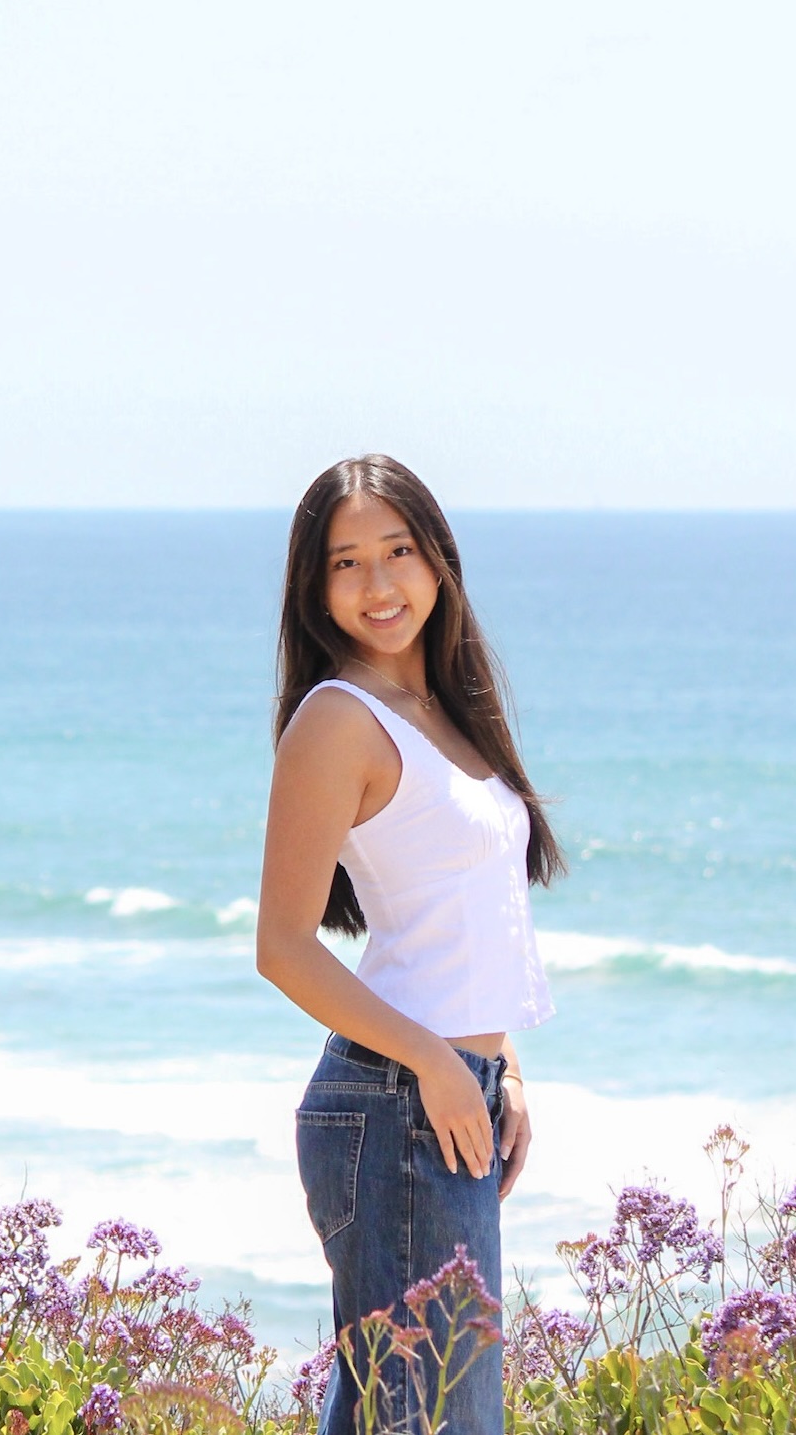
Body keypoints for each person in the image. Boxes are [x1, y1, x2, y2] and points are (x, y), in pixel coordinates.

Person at [256, 455, 565, 1433]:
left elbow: (457, 913)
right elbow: (282, 946)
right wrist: (435, 1058)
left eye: (397, 551)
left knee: (412, 1413)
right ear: (315, 589)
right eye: (347, 563)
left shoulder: (444, 710)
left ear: (438, 557)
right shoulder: (335, 720)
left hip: (446, 1093)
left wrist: (498, 1059)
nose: (379, 584)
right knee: (434, 1417)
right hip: (393, 1102)